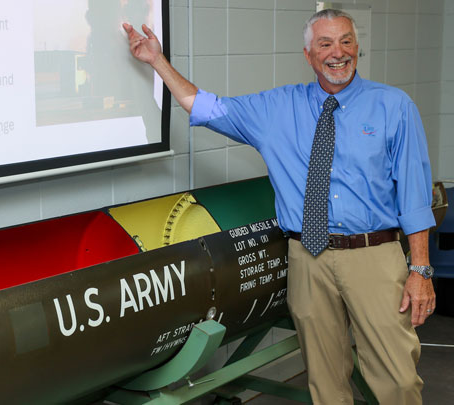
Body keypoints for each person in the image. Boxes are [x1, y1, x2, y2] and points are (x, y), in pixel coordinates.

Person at [124, 9, 436, 405]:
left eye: (345, 41)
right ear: (308, 55)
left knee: (397, 380)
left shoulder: (393, 106)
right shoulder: (276, 109)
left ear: (357, 48)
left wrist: (420, 269)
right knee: (324, 381)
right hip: (307, 258)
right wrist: (157, 61)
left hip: (373, 255)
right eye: (325, 44)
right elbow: (203, 105)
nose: (337, 53)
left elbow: (414, 194)